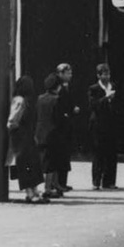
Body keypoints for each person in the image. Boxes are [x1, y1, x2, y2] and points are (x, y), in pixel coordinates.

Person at [5, 75, 48, 204]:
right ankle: (30, 193)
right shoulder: (21, 101)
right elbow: (12, 121)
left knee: (29, 164)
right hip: (22, 137)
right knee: (26, 164)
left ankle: (33, 191)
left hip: (24, 136)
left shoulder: (22, 100)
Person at [87, 63, 120, 190]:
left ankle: (109, 181)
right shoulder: (94, 89)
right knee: (98, 154)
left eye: (108, 73)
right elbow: (93, 105)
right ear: (98, 75)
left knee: (111, 154)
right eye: (104, 74)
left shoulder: (114, 86)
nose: (107, 76)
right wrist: (106, 98)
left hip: (111, 125)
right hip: (98, 125)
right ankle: (96, 182)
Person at [35, 73, 66, 198]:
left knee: (45, 160)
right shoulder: (57, 99)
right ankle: (48, 188)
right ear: (57, 86)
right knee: (51, 162)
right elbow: (58, 118)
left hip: (41, 133)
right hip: (53, 134)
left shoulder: (40, 98)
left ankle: (53, 184)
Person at [55, 63, 79, 192]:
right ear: (60, 74)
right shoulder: (57, 87)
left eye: (71, 73)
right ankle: (58, 182)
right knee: (60, 156)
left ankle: (63, 182)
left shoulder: (70, 86)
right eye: (68, 73)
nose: (70, 75)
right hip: (61, 125)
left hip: (68, 124)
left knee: (66, 156)